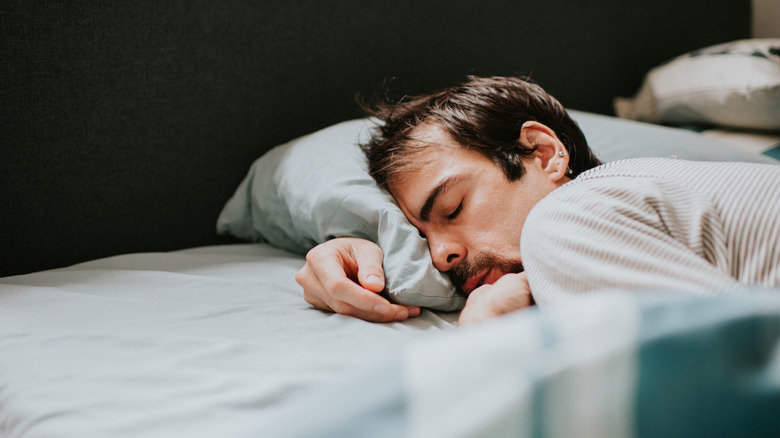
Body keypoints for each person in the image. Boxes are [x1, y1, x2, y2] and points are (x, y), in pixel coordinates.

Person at [295, 76, 780, 326]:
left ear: (544, 154)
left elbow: (725, 382)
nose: (440, 256)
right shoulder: (654, 195)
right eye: (422, 238)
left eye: (453, 209)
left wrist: (486, 341)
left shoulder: (562, 219)